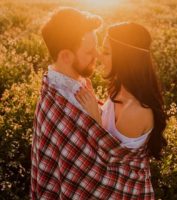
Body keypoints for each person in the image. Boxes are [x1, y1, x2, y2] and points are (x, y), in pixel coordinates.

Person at [31, 7, 159, 199]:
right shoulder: (57, 95)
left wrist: (95, 119)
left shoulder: (67, 84)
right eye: (91, 51)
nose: (97, 56)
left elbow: (103, 168)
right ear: (66, 56)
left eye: (104, 51)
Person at [75, 21, 167, 192]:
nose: (99, 56)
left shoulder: (136, 110)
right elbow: (110, 128)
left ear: (126, 59)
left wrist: (94, 115)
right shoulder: (119, 89)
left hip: (122, 189)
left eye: (107, 52)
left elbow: (109, 158)